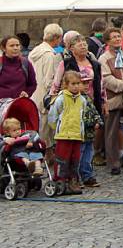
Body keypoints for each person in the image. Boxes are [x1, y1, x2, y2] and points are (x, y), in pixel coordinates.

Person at [49, 33, 104, 188]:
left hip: (90, 103)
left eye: (84, 43)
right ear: (71, 48)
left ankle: (85, 175)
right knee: (72, 149)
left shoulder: (94, 63)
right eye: (79, 44)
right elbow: (56, 83)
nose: (83, 46)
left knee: (88, 144)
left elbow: (101, 84)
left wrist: (103, 103)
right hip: (68, 114)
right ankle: (69, 176)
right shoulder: (65, 63)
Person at [49, 71, 95, 195]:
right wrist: (58, 128)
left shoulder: (82, 100)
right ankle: (60, 179)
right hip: (63, 135)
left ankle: (73, 180)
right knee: (62, 159)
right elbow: (53, 116)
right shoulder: (60, 99)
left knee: (75, 159)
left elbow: (82, 115)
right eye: (73, 84)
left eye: (78, 83)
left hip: (77, 135)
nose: (75, 86)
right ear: (66, 85)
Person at [99, 27, 123, 175]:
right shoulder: (103, 58)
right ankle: (114, 163)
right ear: (108, 41)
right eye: (113, 37)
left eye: (118, 36)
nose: (117, 39)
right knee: (111, 132)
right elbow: (106, 79)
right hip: (113, 99)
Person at [29, 23, 63, 159]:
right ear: (57, 37)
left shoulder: (34, 51)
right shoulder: (50, 55)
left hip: (33, 93)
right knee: (46, 128)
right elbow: (49, 79)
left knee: (38, 125)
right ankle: (44, 156)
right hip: (44, 94)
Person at [0, 35, 37, 100]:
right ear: (3, 48)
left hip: (20, 104)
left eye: (17, 45)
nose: (15, 48)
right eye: (12, 46)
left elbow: (32, 84)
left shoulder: (26, 63)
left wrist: (27, 93)